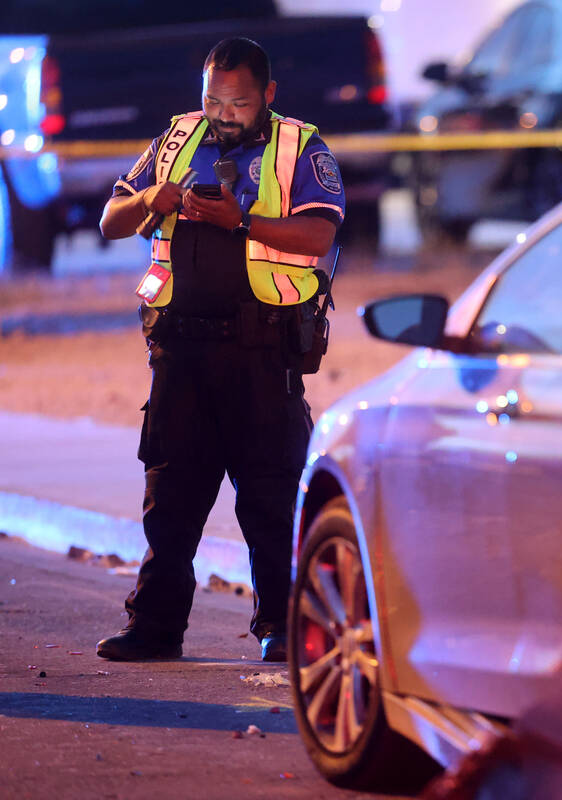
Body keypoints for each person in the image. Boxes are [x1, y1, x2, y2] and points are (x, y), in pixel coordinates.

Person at [95, 37, 344, 662]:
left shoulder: (299, 149)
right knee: (170, 499)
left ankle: (282, 630)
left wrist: (243, 223)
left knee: (271, 501)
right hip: (180, 353)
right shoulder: (176, 139)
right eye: (212, 98)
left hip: (262, 355)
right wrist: (151, 199)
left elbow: (321, 231)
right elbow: (110, 220)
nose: (222, 112)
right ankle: (154, 628)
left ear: (268, 95)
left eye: (236, 102)